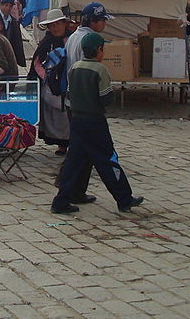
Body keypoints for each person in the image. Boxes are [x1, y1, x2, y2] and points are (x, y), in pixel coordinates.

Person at [51, 32, 144, 215]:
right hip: (95, 121)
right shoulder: (100, 70)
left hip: (77, 121)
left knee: (73, 162)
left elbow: (70, 94)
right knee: (108, 159)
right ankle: (124, 198)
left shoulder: (75, 67)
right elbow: (106, 98)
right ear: (99, 50)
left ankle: (61, 200)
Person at [29, 9, 71, 156]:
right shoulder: (47, 42)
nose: (55, 28)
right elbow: (37, 62)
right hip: (51, 85)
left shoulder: (71, 40)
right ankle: (61, 144)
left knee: (67, 114)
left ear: (64, 24)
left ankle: (69, 141)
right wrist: (47, 77)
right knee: (54, 115)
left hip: (68, 81)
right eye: (52, 25)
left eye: (58, 24)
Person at [66, 2, 111, 68]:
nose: (104, 23)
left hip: (72, 76)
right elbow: (88, 67)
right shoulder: (90, 39)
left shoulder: (72, 37)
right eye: (102, 20)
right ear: (92, 20)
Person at [0, 0, 27, 67]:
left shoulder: (13, 22)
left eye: (10, 6)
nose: (8, 8)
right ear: (1, 5)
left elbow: (18, 41)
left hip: (9, 54)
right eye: (6, 5)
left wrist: (20, 58)